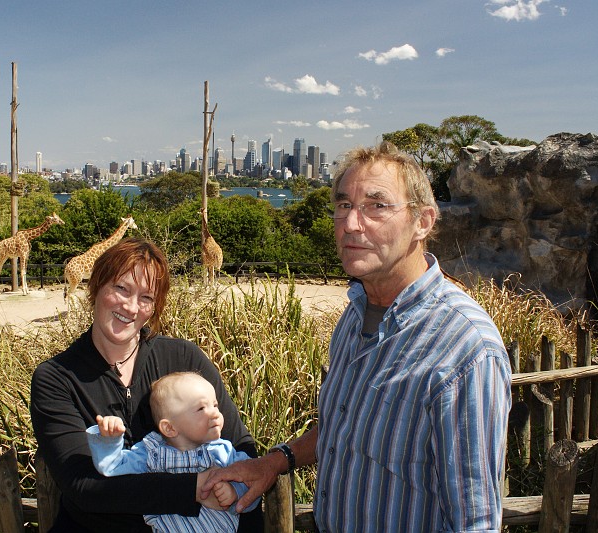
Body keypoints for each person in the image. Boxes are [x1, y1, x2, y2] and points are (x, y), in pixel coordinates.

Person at [202, 141, 512, 532]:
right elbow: (342, 427)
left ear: (424, 221)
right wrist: (273, 462)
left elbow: (476, 521)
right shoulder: (355, 314)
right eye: (344, 205)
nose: (350, 224)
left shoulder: (465, 349)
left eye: (376, 206)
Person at [30, 237, 263, 532]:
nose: (130, 307)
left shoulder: (183, 359)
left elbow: (242, 452)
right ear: (96, 286)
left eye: (146, 298)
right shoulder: (56, 378)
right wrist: (195, 488)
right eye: (121, 288)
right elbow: (83, 485)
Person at [86, 371, 260, 532]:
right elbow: (113, 468)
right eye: (201, 408)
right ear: (169, 428)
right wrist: (109, 440)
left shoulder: (223, 452)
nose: (215, 414)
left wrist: (235, 492)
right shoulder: (150, 452)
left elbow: (253, 483)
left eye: (215, 405)